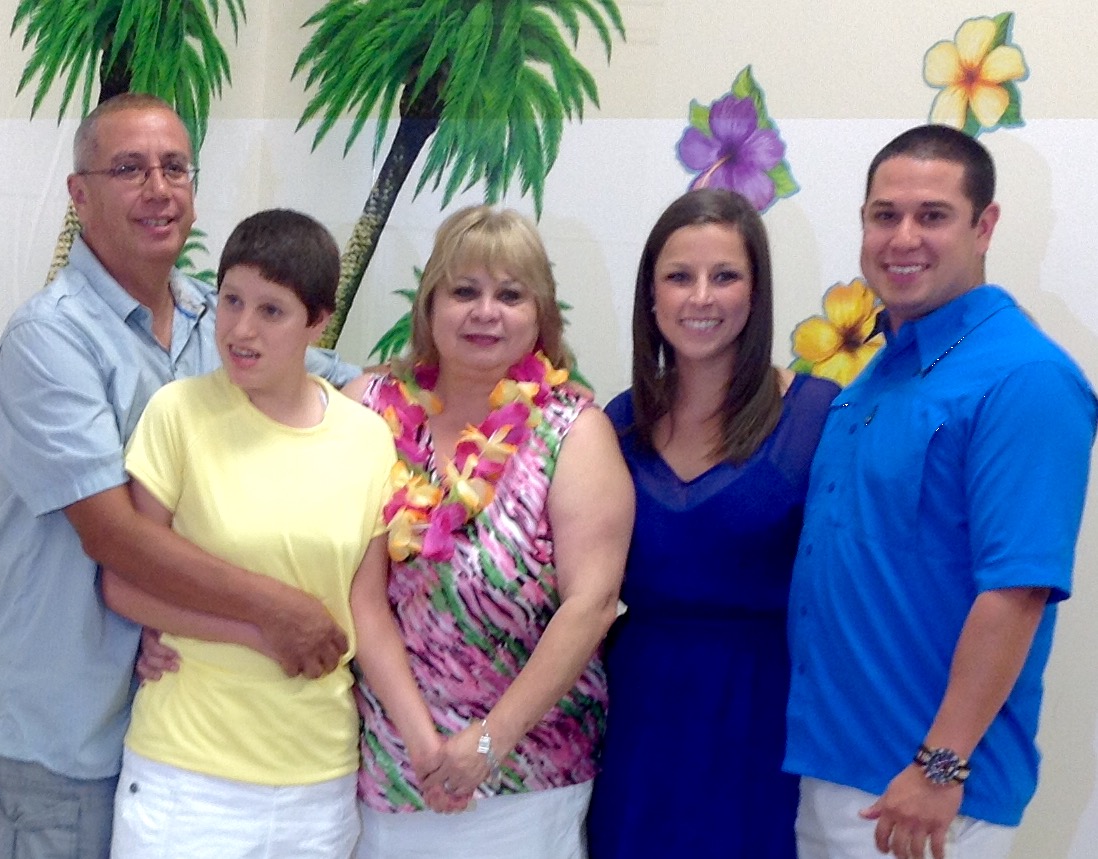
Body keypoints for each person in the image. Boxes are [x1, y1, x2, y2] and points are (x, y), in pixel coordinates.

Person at [0, 95, 357, 859]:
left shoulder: (211, 322)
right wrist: (277, 611)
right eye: (129, 168)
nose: (159, 187)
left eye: (174, 167)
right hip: (72, 737)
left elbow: (350, 386)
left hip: (179, 735)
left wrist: (517, 390)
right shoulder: (48, 341)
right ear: (79, 195)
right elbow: (114, 534)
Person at [784, 124, 1098, 859]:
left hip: (924, 795)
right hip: (835, 765)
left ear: (984, 226)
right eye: (884, 214)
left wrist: (940, 764)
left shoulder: (1024, 377)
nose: (903, 238)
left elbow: (1016, 589)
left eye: (933, 215)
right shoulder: (880, 371)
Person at [99, 209, 442, 857]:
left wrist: (424, 742)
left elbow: (364, 609)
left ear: (319, 320)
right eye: (231, 300)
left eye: (271, 310)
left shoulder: (366, 436)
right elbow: (125, 582)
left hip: (318, 781)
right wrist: (260, 631)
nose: (242, 329)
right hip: (187, 774)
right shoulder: (178, 412)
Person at [338, 204, 635, 858]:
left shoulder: (574, 431)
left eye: (510, 294)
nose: (485, 311)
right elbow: (359, 590)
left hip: (528, 775)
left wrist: (485, 743)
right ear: (430, 305)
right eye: (464, 290)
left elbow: (589, 606)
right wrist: (421, 742)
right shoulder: (367, 407)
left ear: (541, 314)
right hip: (393, 766)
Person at [585, 188, 840, 858]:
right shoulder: (615, 422)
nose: (701, 297)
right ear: (651, 296)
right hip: (635, 721)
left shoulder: (819, 416)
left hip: (764, 722)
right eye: (679, 277)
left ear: (755, 294)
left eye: (725, 276)